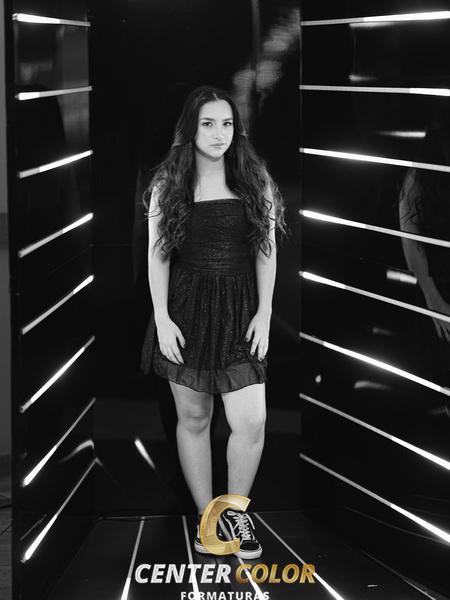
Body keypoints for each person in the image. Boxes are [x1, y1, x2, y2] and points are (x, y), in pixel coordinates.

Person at [140, 84, 287, 559]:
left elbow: (266, 250)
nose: (220, 133)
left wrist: (265, 313)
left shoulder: (254, 178)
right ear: (191, 129)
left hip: (241, 311)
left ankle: (235, 513)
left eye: (227, 124)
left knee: (251, 420)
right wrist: (162, 318)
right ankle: (209, 521)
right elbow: (158, 256)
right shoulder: (169, 184)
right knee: (195, 418)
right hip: (186, 311)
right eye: (208, 124)